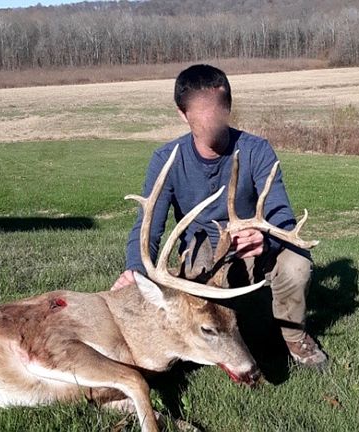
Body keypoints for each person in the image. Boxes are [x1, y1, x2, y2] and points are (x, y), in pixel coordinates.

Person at [111, 64, 327, 369]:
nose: (210, 122)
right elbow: (148, 228)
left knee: (296, 263)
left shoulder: (256, 151)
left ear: (228, 108)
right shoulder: (167, 159)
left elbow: (282, 217)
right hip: (201, 259)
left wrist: (265, 240)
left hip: (249, 250)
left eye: (216, 110)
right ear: (182, 114)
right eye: (200, 113)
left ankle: (294, 337)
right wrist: (135, 271)